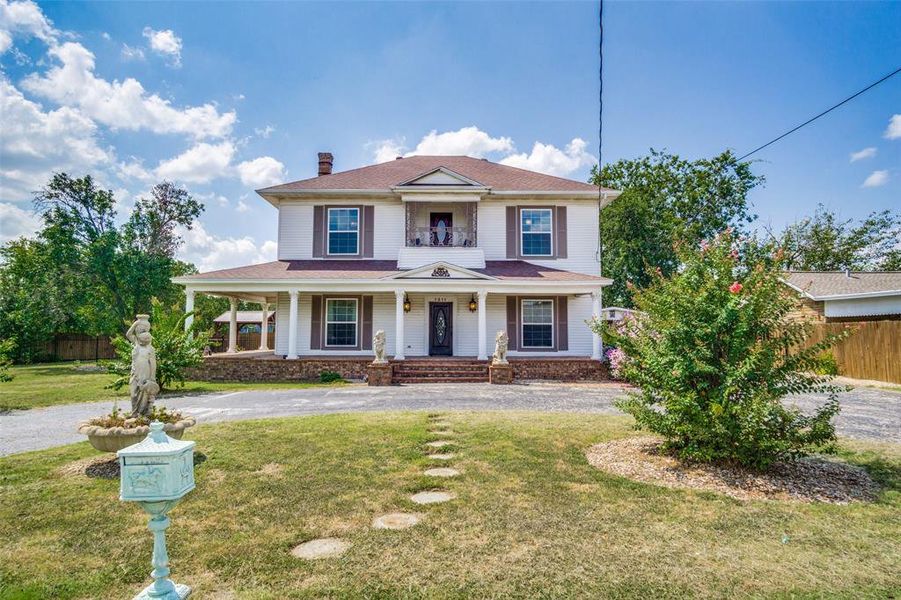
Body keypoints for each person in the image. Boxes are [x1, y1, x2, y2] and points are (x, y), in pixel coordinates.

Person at [126, 315, 158, 417]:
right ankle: (134, 412)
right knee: (133, 394)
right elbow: (128, 334)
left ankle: (141, 414)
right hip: (135, 374)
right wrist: (136, 323)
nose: (144, 341)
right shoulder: (136, 344)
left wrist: (152, 378)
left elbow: (153, 364)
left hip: (145, 374)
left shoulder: (150, 349)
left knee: (144, 394)